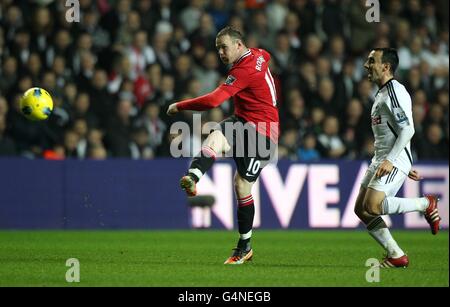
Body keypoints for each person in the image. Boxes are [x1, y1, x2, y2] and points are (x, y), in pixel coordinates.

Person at [167, 26, 279, 264]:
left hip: (264, 133)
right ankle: (194, 177)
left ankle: (245, 245)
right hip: (243, 122)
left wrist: (180, 105)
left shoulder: (244, 70)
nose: (220, 52)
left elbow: (214, 100)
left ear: (239, 45)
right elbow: (267, 56)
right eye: (217, 48)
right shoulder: (258, 54)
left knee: (241, 185)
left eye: (224, 47)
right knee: (216, 135)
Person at [354, 48, 441, 268]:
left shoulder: (394, 91)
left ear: (386, 67)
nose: (366, 65)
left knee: (372, 205)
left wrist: (395, 160)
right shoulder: (382, 93)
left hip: (389, 159)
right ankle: (396, 255)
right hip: (383, 157)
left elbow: (408, 129)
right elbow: (394, 131)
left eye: (371, 61)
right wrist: (401, 159)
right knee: (360, 209)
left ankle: (425, 203)